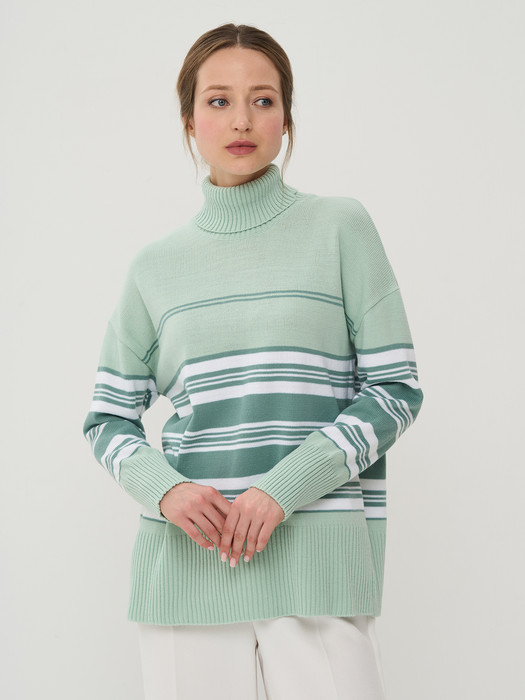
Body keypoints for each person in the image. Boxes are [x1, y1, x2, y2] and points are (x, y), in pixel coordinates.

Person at [83, 22, 423, 700]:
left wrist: (283, 487)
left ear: (286, 118)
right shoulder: (155, 268)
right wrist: (167, 489)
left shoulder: (339, 228)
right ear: (189, 121)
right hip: (189, 567)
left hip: (317, 561)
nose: (241, 119)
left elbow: (395, 388)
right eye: (218, 100)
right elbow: (106, 419)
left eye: (262, 100)